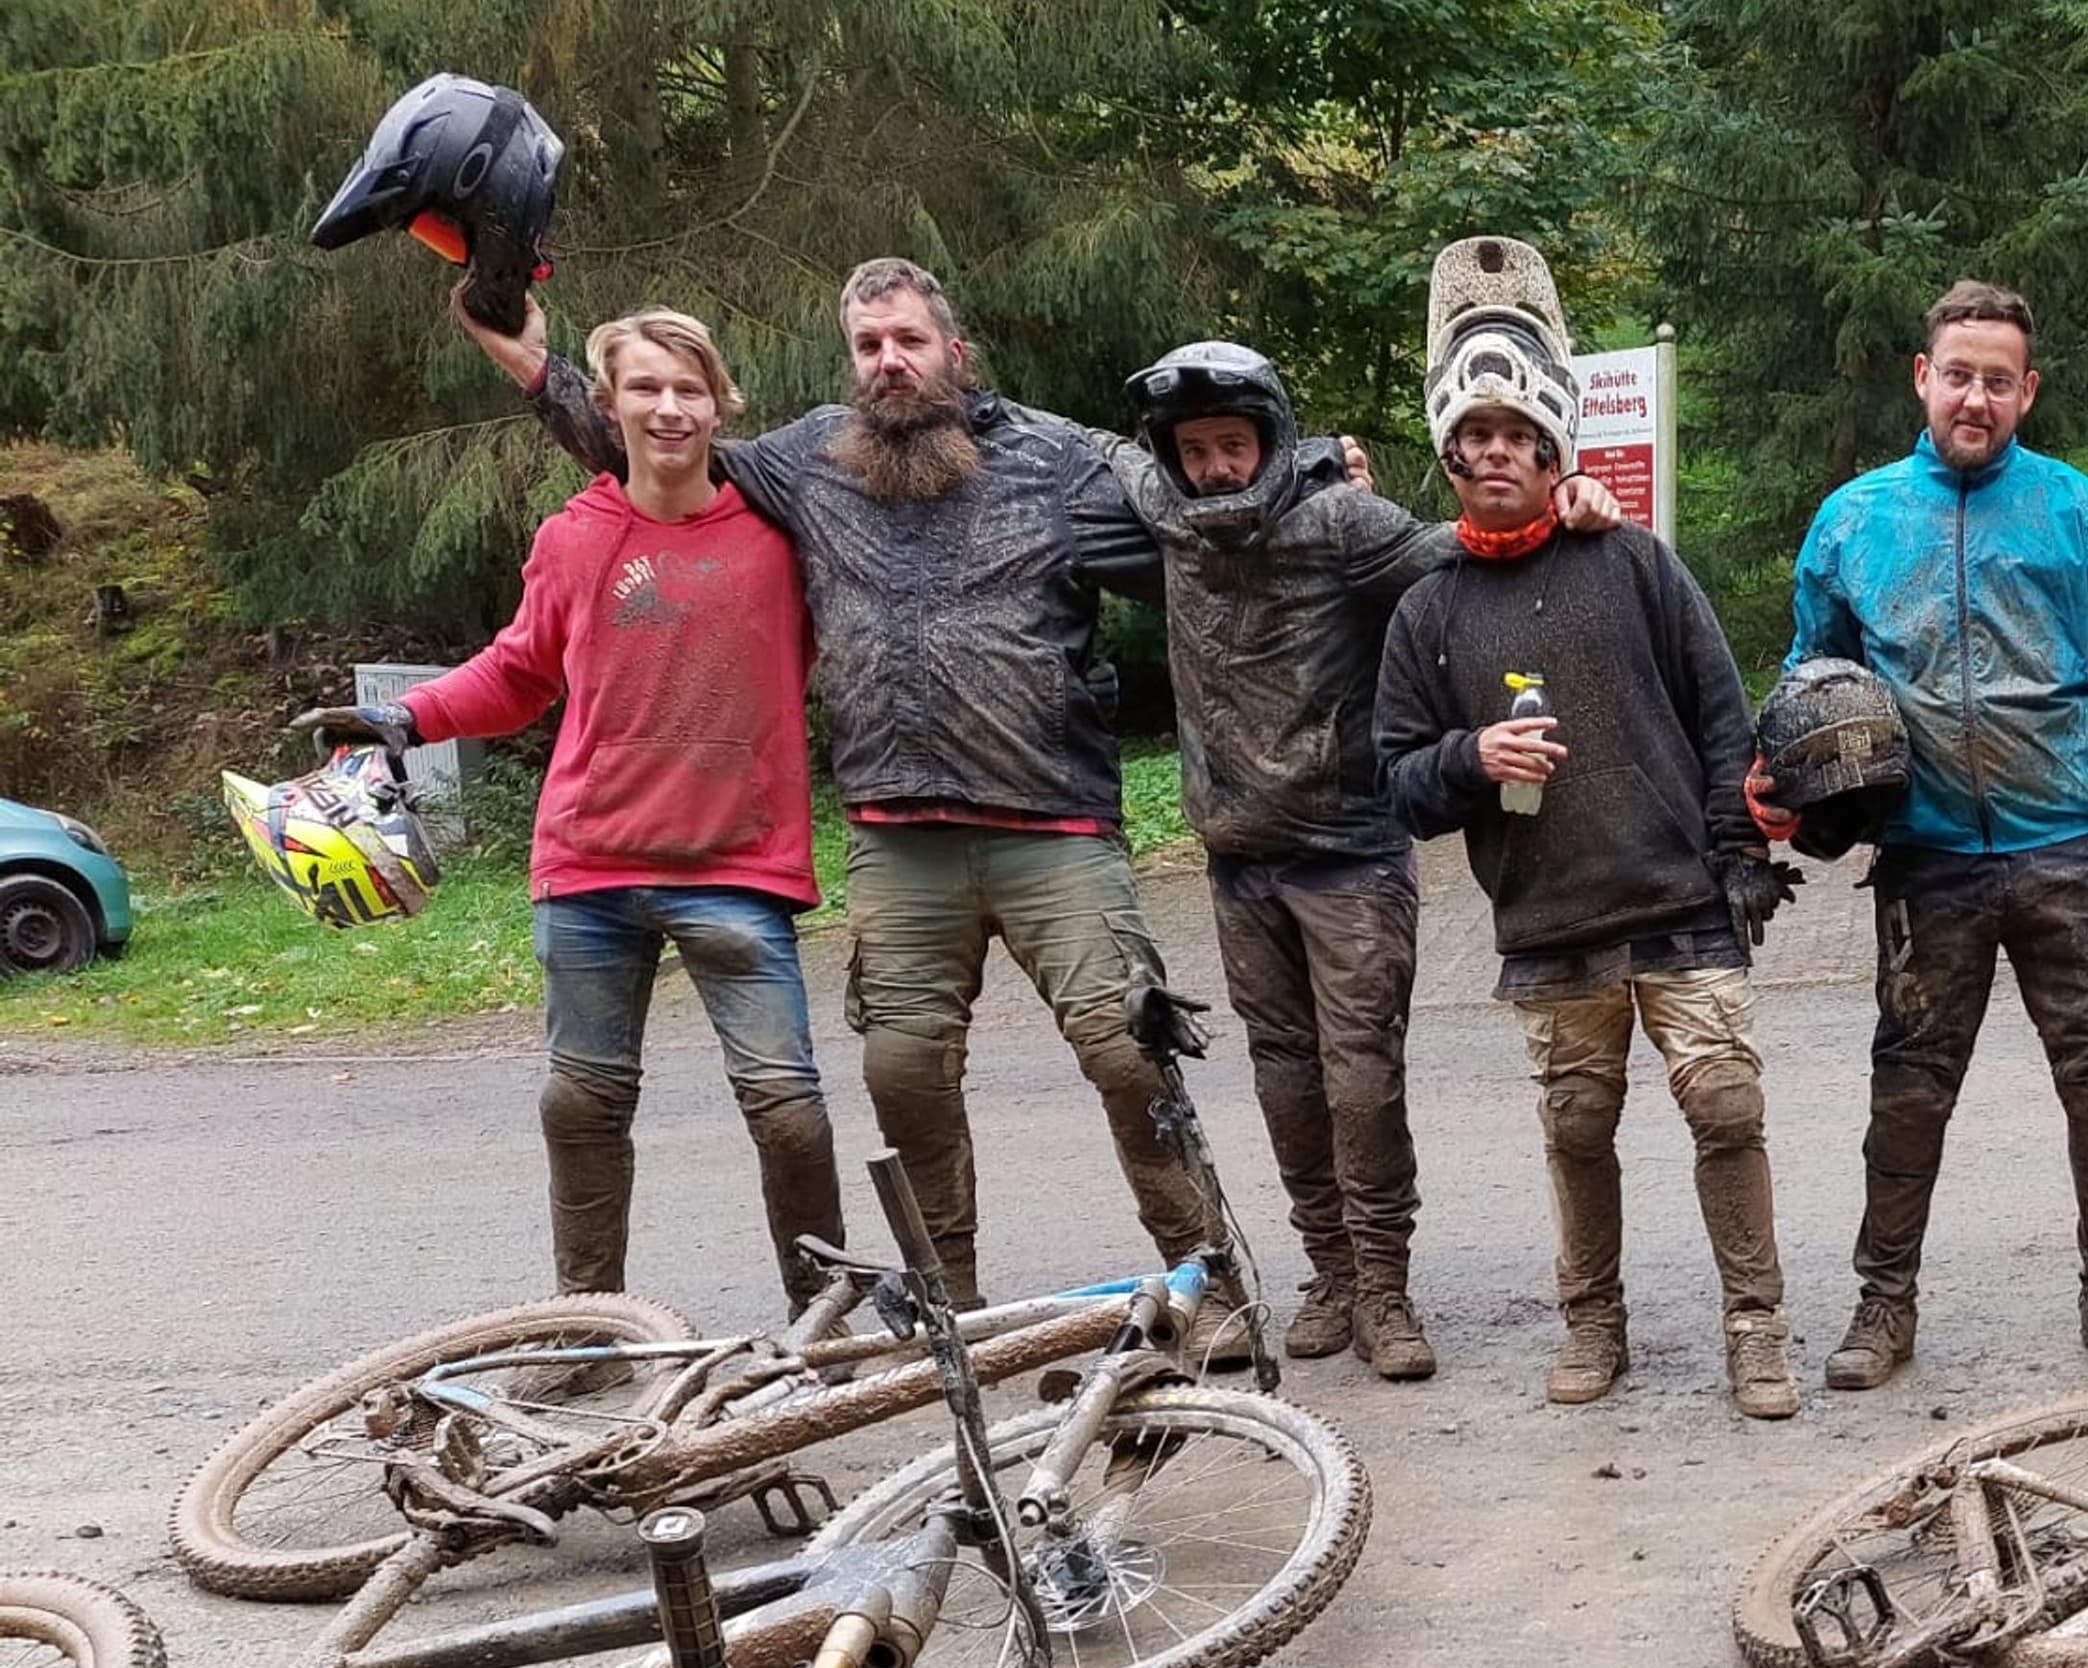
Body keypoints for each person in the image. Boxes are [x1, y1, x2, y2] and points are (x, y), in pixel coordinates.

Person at [460, 260, 1221, 1316]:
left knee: (1127, 1054)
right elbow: (659, 449)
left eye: (908, 340)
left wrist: (1316, 473)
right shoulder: (813, 460)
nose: (890, 362)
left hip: (1053, 824)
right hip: (898, 835)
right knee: (903, 1075)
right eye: (869, 346)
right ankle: (948, 1310)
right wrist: (538, 366)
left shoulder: (1061, 462)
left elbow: (1207, 518)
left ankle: (1212, 1278)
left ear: (954, 349)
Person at [1089, 343, 1622, 1382]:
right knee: (1285, 1080)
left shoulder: (1340, 523)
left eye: (1232, 445)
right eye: (1193, 450)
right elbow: (1081, 446)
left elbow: (1468, 550)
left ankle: (1384, 1284)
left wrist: (1571, 502)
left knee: (1362, 1079)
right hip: (1239, 859)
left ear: (1271, 441)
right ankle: (1328, 1270)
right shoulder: (1164, 512)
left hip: (1351, 852)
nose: (1213, 468)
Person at [339, 306, 842, 1310]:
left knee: (789, 1111)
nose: (669, 407)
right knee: (581, 1105)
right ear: (608, 406)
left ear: (720, 404)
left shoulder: (785, 536)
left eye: (689, 388)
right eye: (646, 388)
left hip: (736, 865)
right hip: (591, 866)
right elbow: (521, 672)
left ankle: (825, 1317)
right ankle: (588, 1325)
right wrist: (407, 716)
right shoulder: (574, 537)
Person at [1374, 237, 1798, 1418]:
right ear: (1450, 454)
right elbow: (1399, 782)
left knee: (1727, 1109)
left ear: (1554, 448)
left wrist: (1740, 857)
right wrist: (1471, 757)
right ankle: (1592, 1324)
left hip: (1679, 905)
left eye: (1519, 436)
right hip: (1548, 920)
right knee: (1575, 1128)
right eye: (1476, 437)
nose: (1497, 452)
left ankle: (1756, 1327)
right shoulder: (1425, 612)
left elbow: (1722, 717)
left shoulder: (1634, 562)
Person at [1762, 279, 2088, 1389]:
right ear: (1923, 377)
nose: (1975, 397)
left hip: (2062, 852)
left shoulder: (2079, 515)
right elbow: (1808, 675)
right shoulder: (1855, 520)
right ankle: (1883, 1303)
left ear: (2027, 392)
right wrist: (1780, 778)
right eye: (1957, 374)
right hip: (1924, 858)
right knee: (1908, 1088)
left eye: (1997, 381)